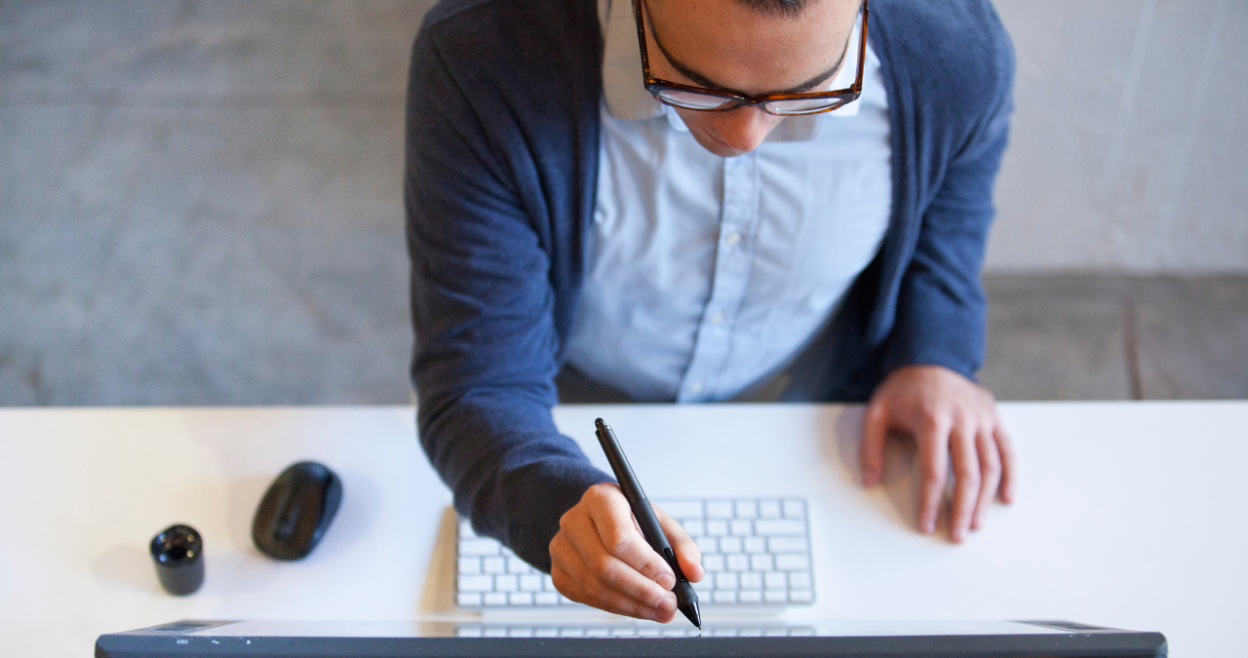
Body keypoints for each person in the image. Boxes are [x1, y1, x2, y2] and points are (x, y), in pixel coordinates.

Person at [405, 0, 1017, 624]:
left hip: (812, 396)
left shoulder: (958, 51)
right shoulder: (479, 56)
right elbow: (477, 382)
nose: (742, 138)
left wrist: (934, 352)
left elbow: (950, 206)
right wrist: (553, 500)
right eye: (694, 87)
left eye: (808, 94)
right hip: (575, 396)